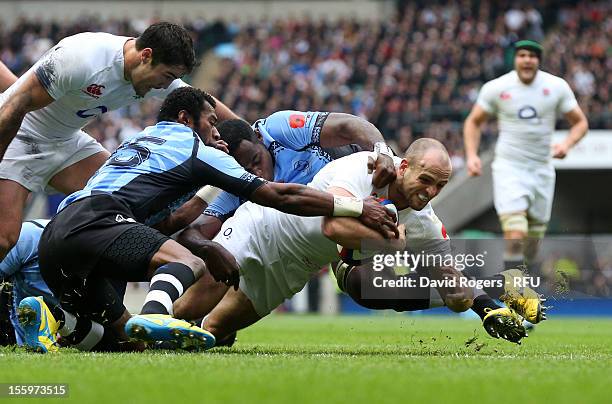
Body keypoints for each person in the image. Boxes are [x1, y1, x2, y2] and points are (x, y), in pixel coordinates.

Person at [23, 87, 396, 352]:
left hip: (62, 230)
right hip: (100, 221)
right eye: (211, 122)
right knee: (190, 262)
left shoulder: (145, 137)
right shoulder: (202, 151)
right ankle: (156, 313)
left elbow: (174, 222)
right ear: (187, 119)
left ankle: (60, 322)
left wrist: (206, 193)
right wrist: (359, 208)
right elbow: (276, 195)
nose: (216, 132)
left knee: (126, 342)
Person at [127, 139, 529, 348]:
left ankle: (180, 339)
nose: (430, 192)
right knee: (188, 310)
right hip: (266, 228)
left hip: (293, 268)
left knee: (213, 331)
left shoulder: (425, 223)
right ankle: (130, 341)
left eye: (439, 186)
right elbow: (333, 228)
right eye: (425, 179)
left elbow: (454, 290)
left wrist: (487, 302)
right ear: (403, 167)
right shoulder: (364, 168)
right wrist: (395, 248)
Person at [0, 22, 239, 261]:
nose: (166, 86)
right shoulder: (82, 58)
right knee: (4, 238)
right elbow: (15, 104)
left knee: (132, 202)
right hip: (20, 133)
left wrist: (251, 134)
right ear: (146, 56)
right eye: (167, 76)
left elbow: (202, 101)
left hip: (66, 142)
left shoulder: (149, 70)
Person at [174, 111, 398, 319]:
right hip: (320, 232)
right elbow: (193, 231)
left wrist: (383, 152)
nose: (257, 174)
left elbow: (349, 125)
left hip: (364, 190)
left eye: (255, 161)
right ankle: (201, 323)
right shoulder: (234, 184)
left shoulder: (278, 129)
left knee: (372, 285)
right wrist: (209, 247)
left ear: (259, 140)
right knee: (365, 288)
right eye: (246, 172)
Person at [464, 40, 588, 270]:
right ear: (515, 59)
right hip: (509, 166)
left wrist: (566, 145)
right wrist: (472, 155)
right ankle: (514, 293)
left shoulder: (556, 87)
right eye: (522, 55)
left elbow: (580, 123)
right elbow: (474, 122)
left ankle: (523, 277)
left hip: (542, 168)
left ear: (539, 60)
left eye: (532, 56)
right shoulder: (497, 88)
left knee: (532, 242)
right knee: (515, 231)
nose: (527, 59)